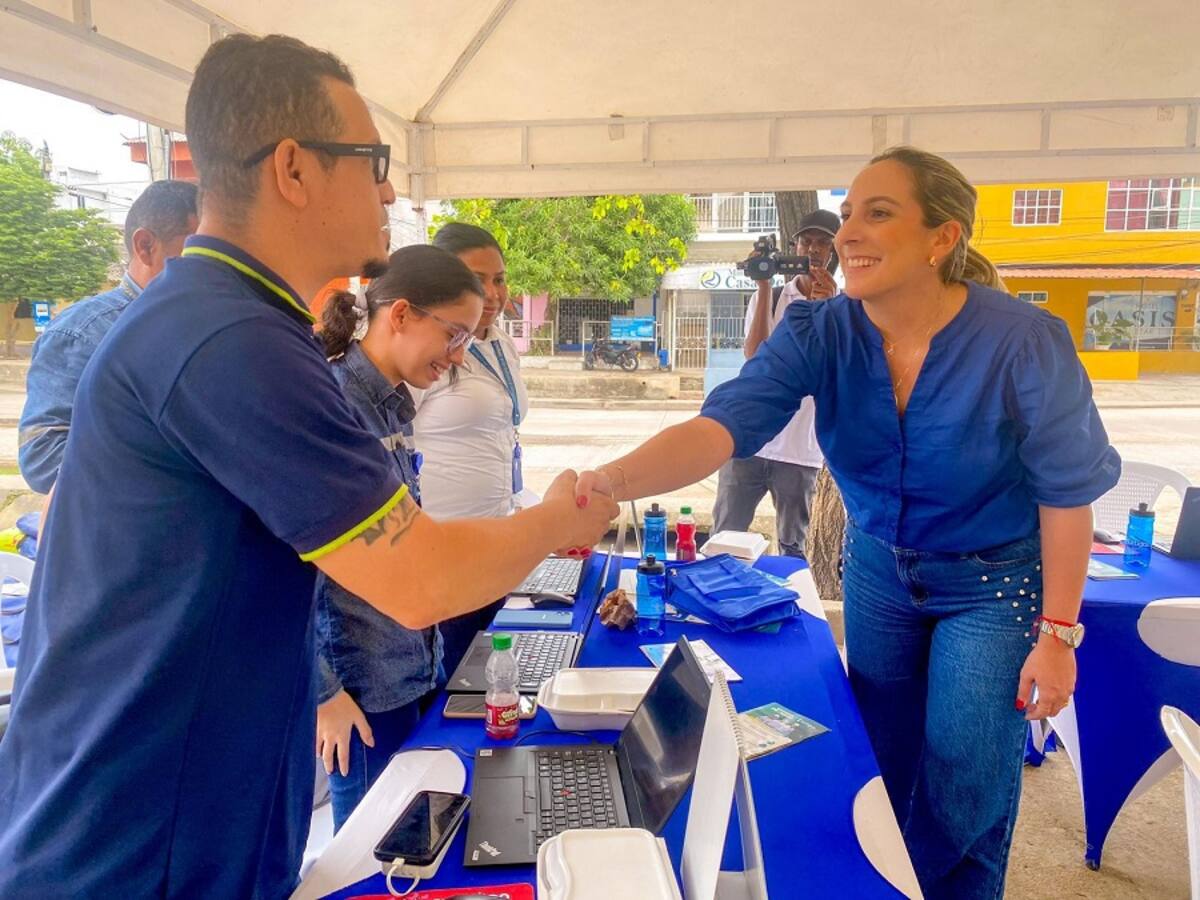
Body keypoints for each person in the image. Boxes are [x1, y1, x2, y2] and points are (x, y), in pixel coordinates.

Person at [0, 34, 615, 898]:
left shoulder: (229, 321)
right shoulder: (230, 340)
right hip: (142, 837)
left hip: (176, 810)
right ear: (293, 168)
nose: (391, 188)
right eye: (371, 161)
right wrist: (559, 521)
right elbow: (417, 578)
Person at [573, 146, 1120, 899]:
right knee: (877, 762)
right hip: (879, 572)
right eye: (850, 213)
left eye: (879, 212)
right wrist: (609, 482)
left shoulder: (1024, 340)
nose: (849, 232)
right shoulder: (819, 332)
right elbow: (721, 429)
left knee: (967, 781)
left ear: (942, 238)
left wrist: (1058, 636)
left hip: (993, 584)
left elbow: (1068, 494)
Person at [313, 244, 483, 830]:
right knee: (368, 850)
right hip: (360, 688)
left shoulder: (391, 408)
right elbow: (293, 570)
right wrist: (324, 693)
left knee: (409, 840)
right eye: (454, 335)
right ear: (403, 314)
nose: (457, 358)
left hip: (408, 666)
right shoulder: (337, 405)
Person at [18, 179, 199, 494]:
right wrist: (175, 478)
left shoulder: (201, 326)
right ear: (145, 246)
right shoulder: (83, 332)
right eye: (198, 252)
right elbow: (42, 454)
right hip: (126, 536)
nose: (214, 269)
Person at [413, 222, 530, 669]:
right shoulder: (426, 350)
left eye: (498, 278)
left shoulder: (501, 343)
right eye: (475, 279)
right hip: (443, 549)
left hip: (496, 542)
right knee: (450, 683)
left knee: (486, 679)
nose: (493, 293)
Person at [712, 208, 841, 557]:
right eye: (806, 241)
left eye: (823, 244)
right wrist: (765, 285)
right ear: (794, 246)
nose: (813, 250)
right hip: (749, 441)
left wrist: (827, 309)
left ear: (834, 253)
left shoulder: (844, 306)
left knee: (792, 546)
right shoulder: (769, 297)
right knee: (724, 539)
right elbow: (755, 356)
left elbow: (832, 369)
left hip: (799, 449)